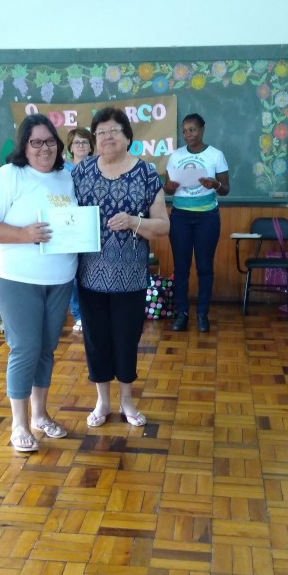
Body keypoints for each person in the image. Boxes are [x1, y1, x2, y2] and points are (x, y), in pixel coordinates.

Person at [0, 114, 77, 453]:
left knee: (46, 348)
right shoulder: (9, 176)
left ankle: (40, 415)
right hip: (15, 277)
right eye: (36, 142)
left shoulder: (68, 176)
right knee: (25, 347)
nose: (45, 148)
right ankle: (18, 423)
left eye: (50, 141)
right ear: (24, 146)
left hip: (60, 278)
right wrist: (22, 234)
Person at [72, 107, 169, 428]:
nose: (107, 137)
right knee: (96, 340)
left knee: (127, 339)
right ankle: (102, 400)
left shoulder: (146, 173)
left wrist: (133, 221)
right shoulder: (81, 172)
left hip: (131, 276)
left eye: (114, 130)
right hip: (89, 275)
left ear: (127, 136)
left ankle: (127, 400)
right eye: (100, 132)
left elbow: (163, 226)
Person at [164, 113, 230, 333]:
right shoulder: (176, 155)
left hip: (207, 217)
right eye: (184, 131)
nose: (188, 134)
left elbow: (226, 189)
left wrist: (215, 184)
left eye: (192, 130)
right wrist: (170, 187)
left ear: (202, 129)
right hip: (180, 217)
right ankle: (182, 313)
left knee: (204, 267)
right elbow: (167, 188)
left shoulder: (215, 155)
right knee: (181, 268)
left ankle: (202, 314)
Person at [64, 127, 95, 332]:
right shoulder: (62, 171)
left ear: (91, 146)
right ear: (70, 147)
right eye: (77, 142)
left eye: (85, 142)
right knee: (73, 272)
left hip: (92, 225)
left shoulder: (99, 167)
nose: (81, 146)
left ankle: (93, 314)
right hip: (70, 226)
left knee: (91, 270)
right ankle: (78, 315)